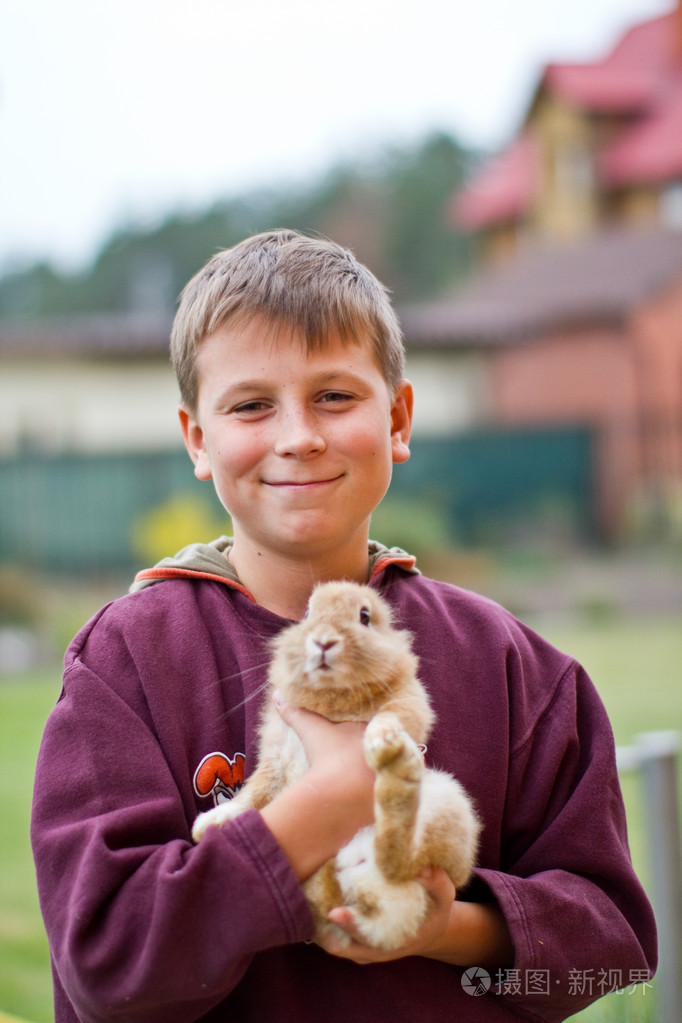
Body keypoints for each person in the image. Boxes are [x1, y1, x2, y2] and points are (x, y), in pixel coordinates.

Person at [32, 229, 656, 1023]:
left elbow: (611, 945)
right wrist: (321, 807)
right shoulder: (127, 661)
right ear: (197, 438)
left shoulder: (511, 664)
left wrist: (446, 929)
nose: (299, 435)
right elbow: (107, 970)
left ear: (397, 417)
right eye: (252, 404)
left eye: (334, 395)